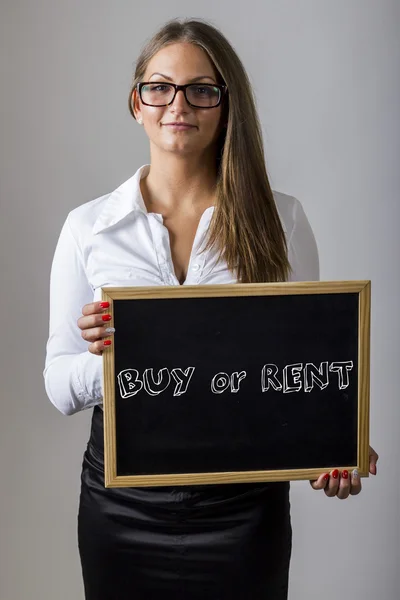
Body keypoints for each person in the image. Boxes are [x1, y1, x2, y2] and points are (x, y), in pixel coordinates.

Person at [44, 18, 378, 600]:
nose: (179, 104)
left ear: (226, 106)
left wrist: (334, 445)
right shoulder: (88, 227)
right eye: (160, 87)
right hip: (120, 506)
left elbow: (301, 375)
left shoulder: (282, 219)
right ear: (137, 104)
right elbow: (56, 382)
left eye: (202, 89)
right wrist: (110, 359)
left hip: (244, 510)